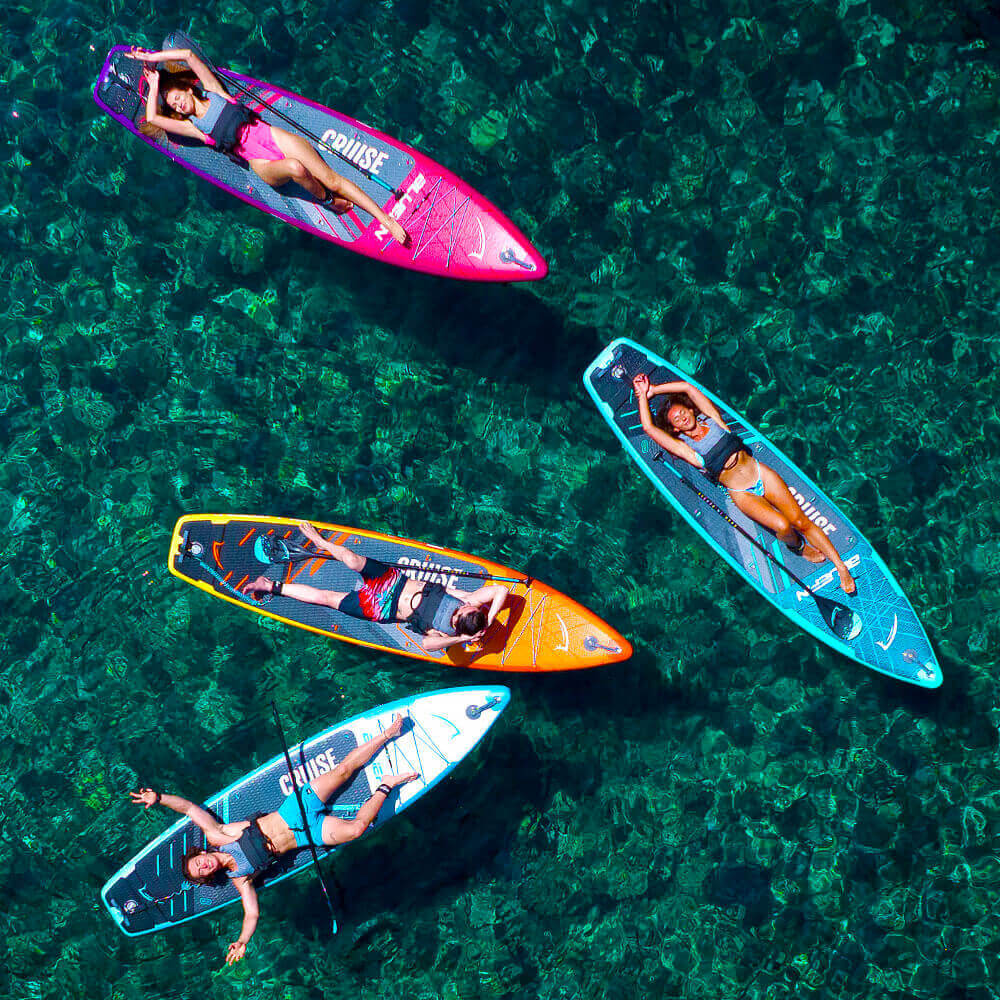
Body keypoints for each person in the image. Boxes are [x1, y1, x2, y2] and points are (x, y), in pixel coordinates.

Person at [129, 714, 418, 965]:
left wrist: (160, 798)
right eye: (201, 872)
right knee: (355, 830)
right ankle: (387, 785)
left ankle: (388, 733)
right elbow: (252, 914)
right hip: (310, 834)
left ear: (198, 854)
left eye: (197, 862)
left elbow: (191, 809)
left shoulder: (217, 834)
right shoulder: (240, 879)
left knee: (343, 771)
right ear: (209, 875)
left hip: (295, 809)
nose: (203, 865)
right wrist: (242, 941)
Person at [126, 45, 409, 244]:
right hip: (259, 162)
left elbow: (188, 55)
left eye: (176, 96)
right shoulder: (194, 128)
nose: (178, 103)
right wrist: (153, 90)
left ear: (188, 87)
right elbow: (152, 117)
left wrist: (153, 58)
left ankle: (385, 219)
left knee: (331, 177)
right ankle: (328, 202)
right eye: (174, 105)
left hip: (270, 135)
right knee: (297, 169)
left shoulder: (215, 90)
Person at [631, 373, 856, 595]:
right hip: (742, 493)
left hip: (760, 473)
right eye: (676, 420)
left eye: (682, 412)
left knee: (800, 520)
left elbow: (688, 388)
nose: (682, 418)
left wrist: (654, 390)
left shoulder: (713, 420)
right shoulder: (687, 449)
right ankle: (798, 547)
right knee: (783, 526)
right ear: (676, 429)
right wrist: (641, 396)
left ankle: (841, 567)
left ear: (691, 410)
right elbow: (649, 429)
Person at [242, 522, 509, 651]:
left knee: (326, 598)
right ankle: (320, 542)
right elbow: (501, 590)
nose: (465, 607)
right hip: (393, 580)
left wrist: (461, 639)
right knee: (352, 559)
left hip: (380, 607)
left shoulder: (447, 630)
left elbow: (427, 645)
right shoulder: (468, 600)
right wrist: (490, 618)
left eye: (464, 612)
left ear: (461, 621)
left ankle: (270, 585)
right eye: (469, 607)